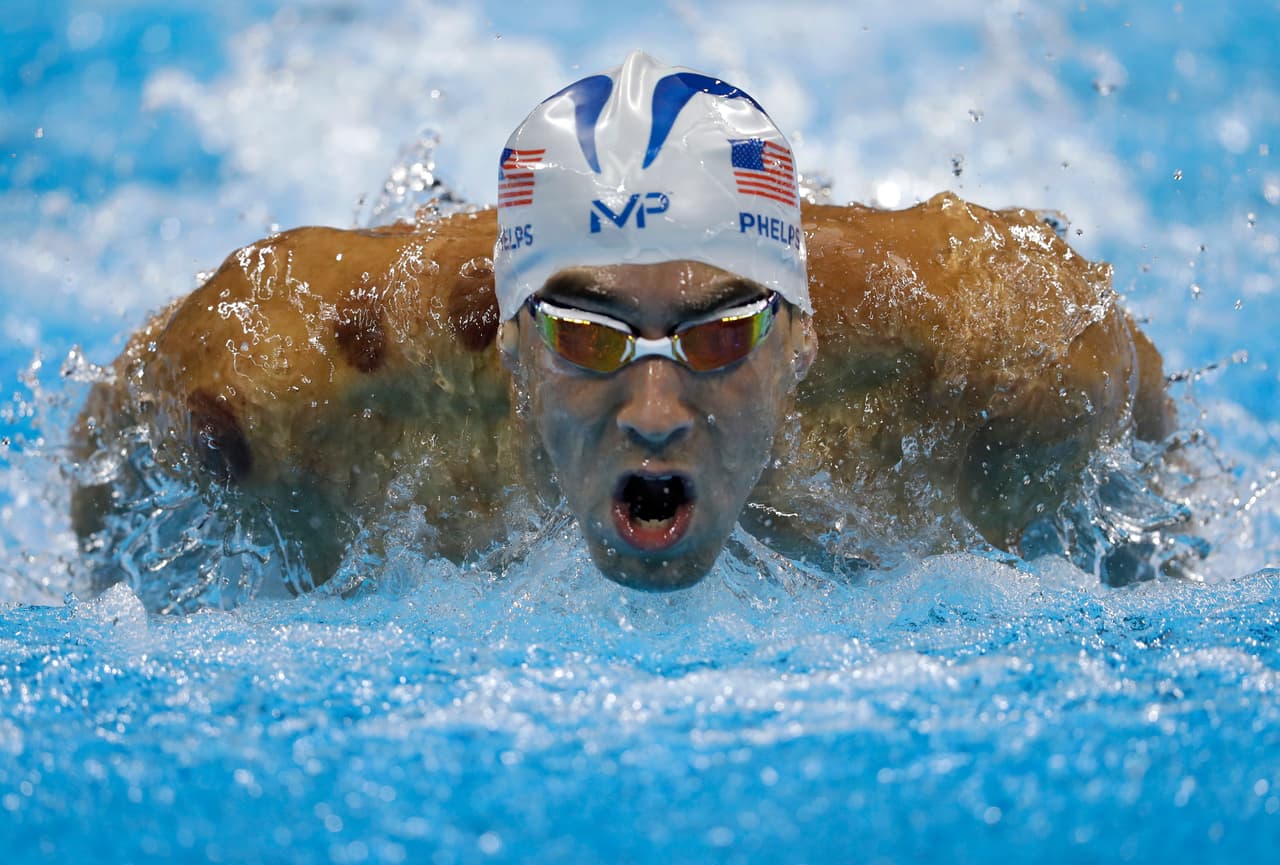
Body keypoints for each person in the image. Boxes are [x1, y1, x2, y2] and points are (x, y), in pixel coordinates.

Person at [70, 52, 1176, 600]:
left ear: (801, 339)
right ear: (506, 351)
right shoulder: (295, 378)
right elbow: (108, 491)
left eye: (716, 335)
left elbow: (1153, 488)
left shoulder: (1003, 354)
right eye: (590, 338)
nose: (654, 415)